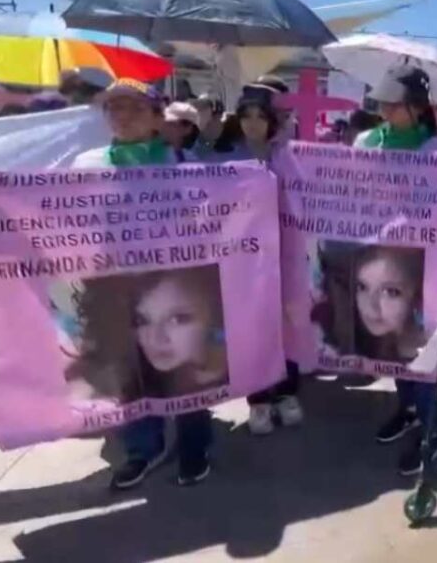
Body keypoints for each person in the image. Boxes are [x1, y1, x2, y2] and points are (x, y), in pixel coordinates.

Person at [69, 78, 215, 489]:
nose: (122, 116)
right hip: (113, 288)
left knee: (184, 368)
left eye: (134, 107)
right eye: (114, 108)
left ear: (157, 116)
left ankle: (195, 443)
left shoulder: (184, 166)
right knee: (128, 374)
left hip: (173, 288)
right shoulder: (87, 165)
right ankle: (142, 448)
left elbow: (209, 222)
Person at [355, 65, 437, 475]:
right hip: (377, 261)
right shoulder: (366, 143)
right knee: (392, 345)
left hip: (421, 266)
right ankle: (408, 408)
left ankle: (433, 430)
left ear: (416, 108)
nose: (385, 110)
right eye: (382, 102)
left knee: (419, 347)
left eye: (394, 104)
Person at [200, 93, 304, 435]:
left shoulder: (286, 155)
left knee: (286, 324)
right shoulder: (223, 157)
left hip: (284, 254)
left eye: (261, 116)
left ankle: (286, 393)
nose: (253, 122)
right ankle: (258, 400)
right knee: (252, 329)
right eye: (247, 116)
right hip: (243, 259)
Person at [67, 266, 228, 401]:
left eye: (177, 319)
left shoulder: (238, 369)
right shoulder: (123, 382)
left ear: (214, 316)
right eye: (141, 320)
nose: (155, 338)